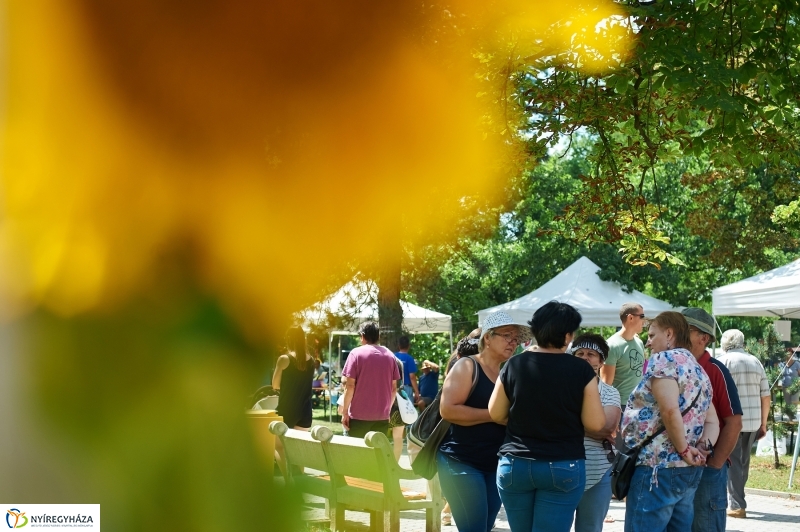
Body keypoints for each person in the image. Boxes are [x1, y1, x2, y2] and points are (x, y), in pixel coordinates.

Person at [489, 302, 606, 532]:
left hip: (515, 464)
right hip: (562, 463)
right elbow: (595, 423)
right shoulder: (581, 369)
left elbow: (495, 412)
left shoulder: (514, 364)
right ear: (568, 335)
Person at [621, 311, 719, 532]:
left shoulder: (664, 360)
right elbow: (713, 422)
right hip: (687, 471)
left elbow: (669, 409)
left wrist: (684, 450)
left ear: (669, 334)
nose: (648, 342)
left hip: (657, 468)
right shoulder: (699, 371)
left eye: (652, 334)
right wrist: (702, 448)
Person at [437, 312, 525, 532]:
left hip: (494, 463)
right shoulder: (467, 366)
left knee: (485, 526)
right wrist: (494, 415)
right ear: (488, 337)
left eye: (516, 339)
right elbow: (448, 410)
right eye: (507, 336)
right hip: (461, 461)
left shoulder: (506, 373)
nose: (512, 343)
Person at [680, 308, 743, 532]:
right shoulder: (670, 365)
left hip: (706, 469)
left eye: (685, 329)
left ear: (703, 338)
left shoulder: (716, 370)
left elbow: (734, 422)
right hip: (675, 468)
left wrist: (715, 464)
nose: (676, 333)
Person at [717, 329, 771, 519]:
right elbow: (766, 395)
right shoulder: (755, 361)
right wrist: (763, 423)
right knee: (742, 462)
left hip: (732, 421)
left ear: (725, 343)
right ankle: (737, 500)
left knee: (733, 463)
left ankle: (737, 505)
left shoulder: (724, 361)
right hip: (753, 421)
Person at [570, 334, 621, 532]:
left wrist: (565, 421)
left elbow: (606, 428)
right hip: (561, 468)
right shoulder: (560, 389)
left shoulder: (610, 392)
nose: (585, 357)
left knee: (590, 528)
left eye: (591, 354)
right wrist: (593, 425)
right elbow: (597, 427)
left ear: (601, 362)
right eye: (580, 353)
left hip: (598, 471)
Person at [340, 321, 400, 438]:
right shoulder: (390, 355)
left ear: (362, 336)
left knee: (357, 454)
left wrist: (345, 411)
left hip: (358, 416)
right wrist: (387, 411)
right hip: (381, 416)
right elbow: (393, 388)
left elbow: (350, 386)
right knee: (376, 453)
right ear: (378, 336)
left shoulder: (355, 354)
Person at [602, 302, 646, 451]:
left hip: (639, 406)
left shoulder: (639, 342)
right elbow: (605, 384)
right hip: (619, 408)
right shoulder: (612, 345)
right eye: (642, 316)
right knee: (620, 455)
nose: (644, 321)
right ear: (630, 318)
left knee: (635, 454)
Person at [272, 326, 315, 430]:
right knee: (299, 446)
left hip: (286, 410)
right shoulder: (311, 360)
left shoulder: (284, 359)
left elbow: (275, 385)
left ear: (288, 339)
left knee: (279, 446)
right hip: (305, 411)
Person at [395, 335, 421, 404]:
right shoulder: (409, 359)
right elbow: (412, 376)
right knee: (408, 410)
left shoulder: (393, 357)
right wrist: (416, 391)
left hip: (394, 388)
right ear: (408, 346)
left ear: (399, 345)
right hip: (406, 388)